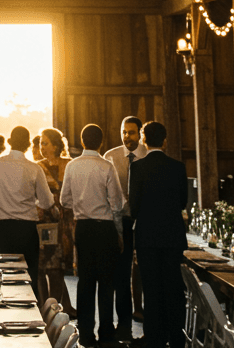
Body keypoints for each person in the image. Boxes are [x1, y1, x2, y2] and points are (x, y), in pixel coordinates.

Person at [60, 124, 124, 347]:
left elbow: (64, 200)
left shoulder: (72, 166)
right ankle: (106, 331)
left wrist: (80, 204)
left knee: (85, 281)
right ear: (101, 142)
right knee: (106, 282)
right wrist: (119, 233)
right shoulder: (106, 166)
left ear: (82, 140)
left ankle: (86, 334)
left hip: (83, 228)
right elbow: (117, 203)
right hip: (105, 228)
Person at [129, 121, 187, 348]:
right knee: (173, 288)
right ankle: (176, 337)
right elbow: (183, 202)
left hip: (147, 237)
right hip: (172, 235)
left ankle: (154, 337)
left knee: (151, 288)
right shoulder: (178, 167)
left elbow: (133, 207)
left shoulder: (138, 167)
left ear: (144, 140)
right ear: (165, 140)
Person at [0, 125, 54, 293]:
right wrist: (33, 203)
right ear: (28, 145)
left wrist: (0, 200)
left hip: (2, 229)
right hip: (27, 231)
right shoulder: (34, 168)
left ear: (9, 142)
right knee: (29, 280)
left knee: (3, 279)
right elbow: (47, 202)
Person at [104, 116, 147, 337]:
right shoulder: (110, 157)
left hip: (143, 221)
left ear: (140, 133)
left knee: (142, 270)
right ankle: (124, 325)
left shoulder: (148, 156)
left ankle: (141, 311)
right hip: (120, 221)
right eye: (124, 132)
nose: (127, 137)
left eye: (131, 132)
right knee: (121, 273)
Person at [37, 127, 77, 317]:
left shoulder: (70, 164)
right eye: (40, 144)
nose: (42, 147)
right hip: (46, 224)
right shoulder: (38, 166)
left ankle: (59, 312)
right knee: (45, 267)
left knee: (60, 270)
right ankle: (48, 311)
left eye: (45, 143)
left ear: (55, 144)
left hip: (67, 223)